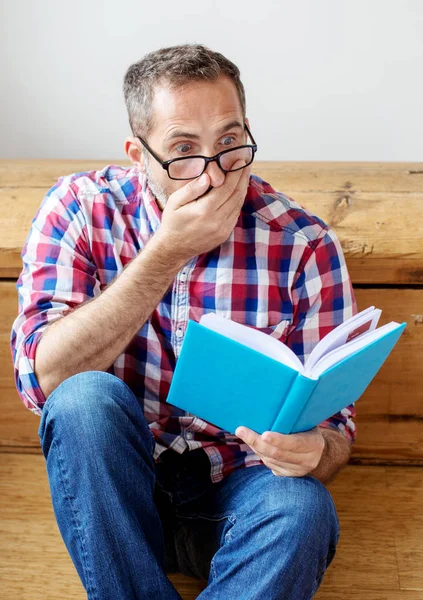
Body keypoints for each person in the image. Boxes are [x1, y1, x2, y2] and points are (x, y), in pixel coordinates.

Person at [10, 44, 357, 600]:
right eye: (183, 150)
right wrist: (165, 253)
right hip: (114, 499)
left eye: (229, 142)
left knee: (304, 508)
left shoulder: (303, 244)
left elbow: (337, 431)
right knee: (83, 401)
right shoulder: (79, 208)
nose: (215, 172)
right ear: (138, 153)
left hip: (235, 493)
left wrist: (317, 451)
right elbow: (44, 381)